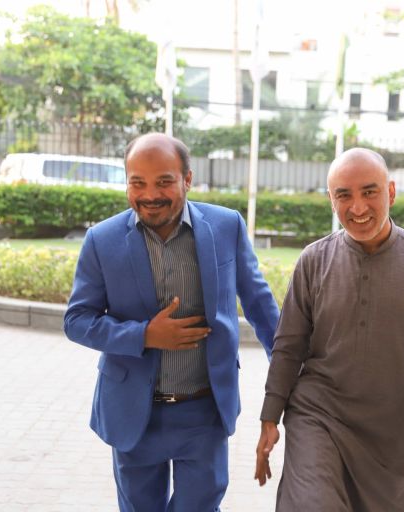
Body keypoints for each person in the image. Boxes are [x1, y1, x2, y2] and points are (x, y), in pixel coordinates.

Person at [65, 133, 280, 512]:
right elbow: (77, 320)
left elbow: (260, 305)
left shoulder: (226, 226)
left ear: (187, 179)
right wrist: (144, 335)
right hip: (134, 414)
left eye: (164, 181)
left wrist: (287, 378)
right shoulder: (102, 240)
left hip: (204, 411)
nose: (150, 194)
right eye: (137, 183)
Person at [254, 148, 404, 511]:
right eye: (344, 195)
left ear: (391, 192)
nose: (357, 207)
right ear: (331, 201)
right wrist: (270, 416)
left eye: (369, 192)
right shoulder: (313, 261)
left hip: (393, 438)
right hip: (318, 418)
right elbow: (288, 346)